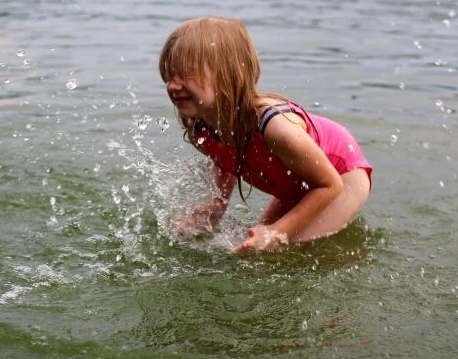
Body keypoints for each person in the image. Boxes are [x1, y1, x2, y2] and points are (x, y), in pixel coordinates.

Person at [159, 16, 372, 253]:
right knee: (253, 248)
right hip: (298, 180)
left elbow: (329, 185)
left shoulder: (274, 128)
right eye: (169, 75)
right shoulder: (201, 124)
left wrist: (279, 230)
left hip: (341, 175)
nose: (173, 86)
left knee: (281, 251)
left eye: (186, 74)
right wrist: (217, 204)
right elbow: (224, 158)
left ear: (227, 74)